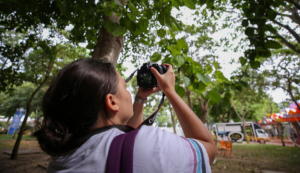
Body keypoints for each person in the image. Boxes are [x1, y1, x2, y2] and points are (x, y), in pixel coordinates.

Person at [34, 58, 216, 173]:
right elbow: (208, 149)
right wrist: (170, 91)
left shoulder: (61, 158)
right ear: (112, 102)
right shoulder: (151, 146)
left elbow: (123, 139)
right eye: (125, 86)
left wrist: (140, 98)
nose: (130, 92)